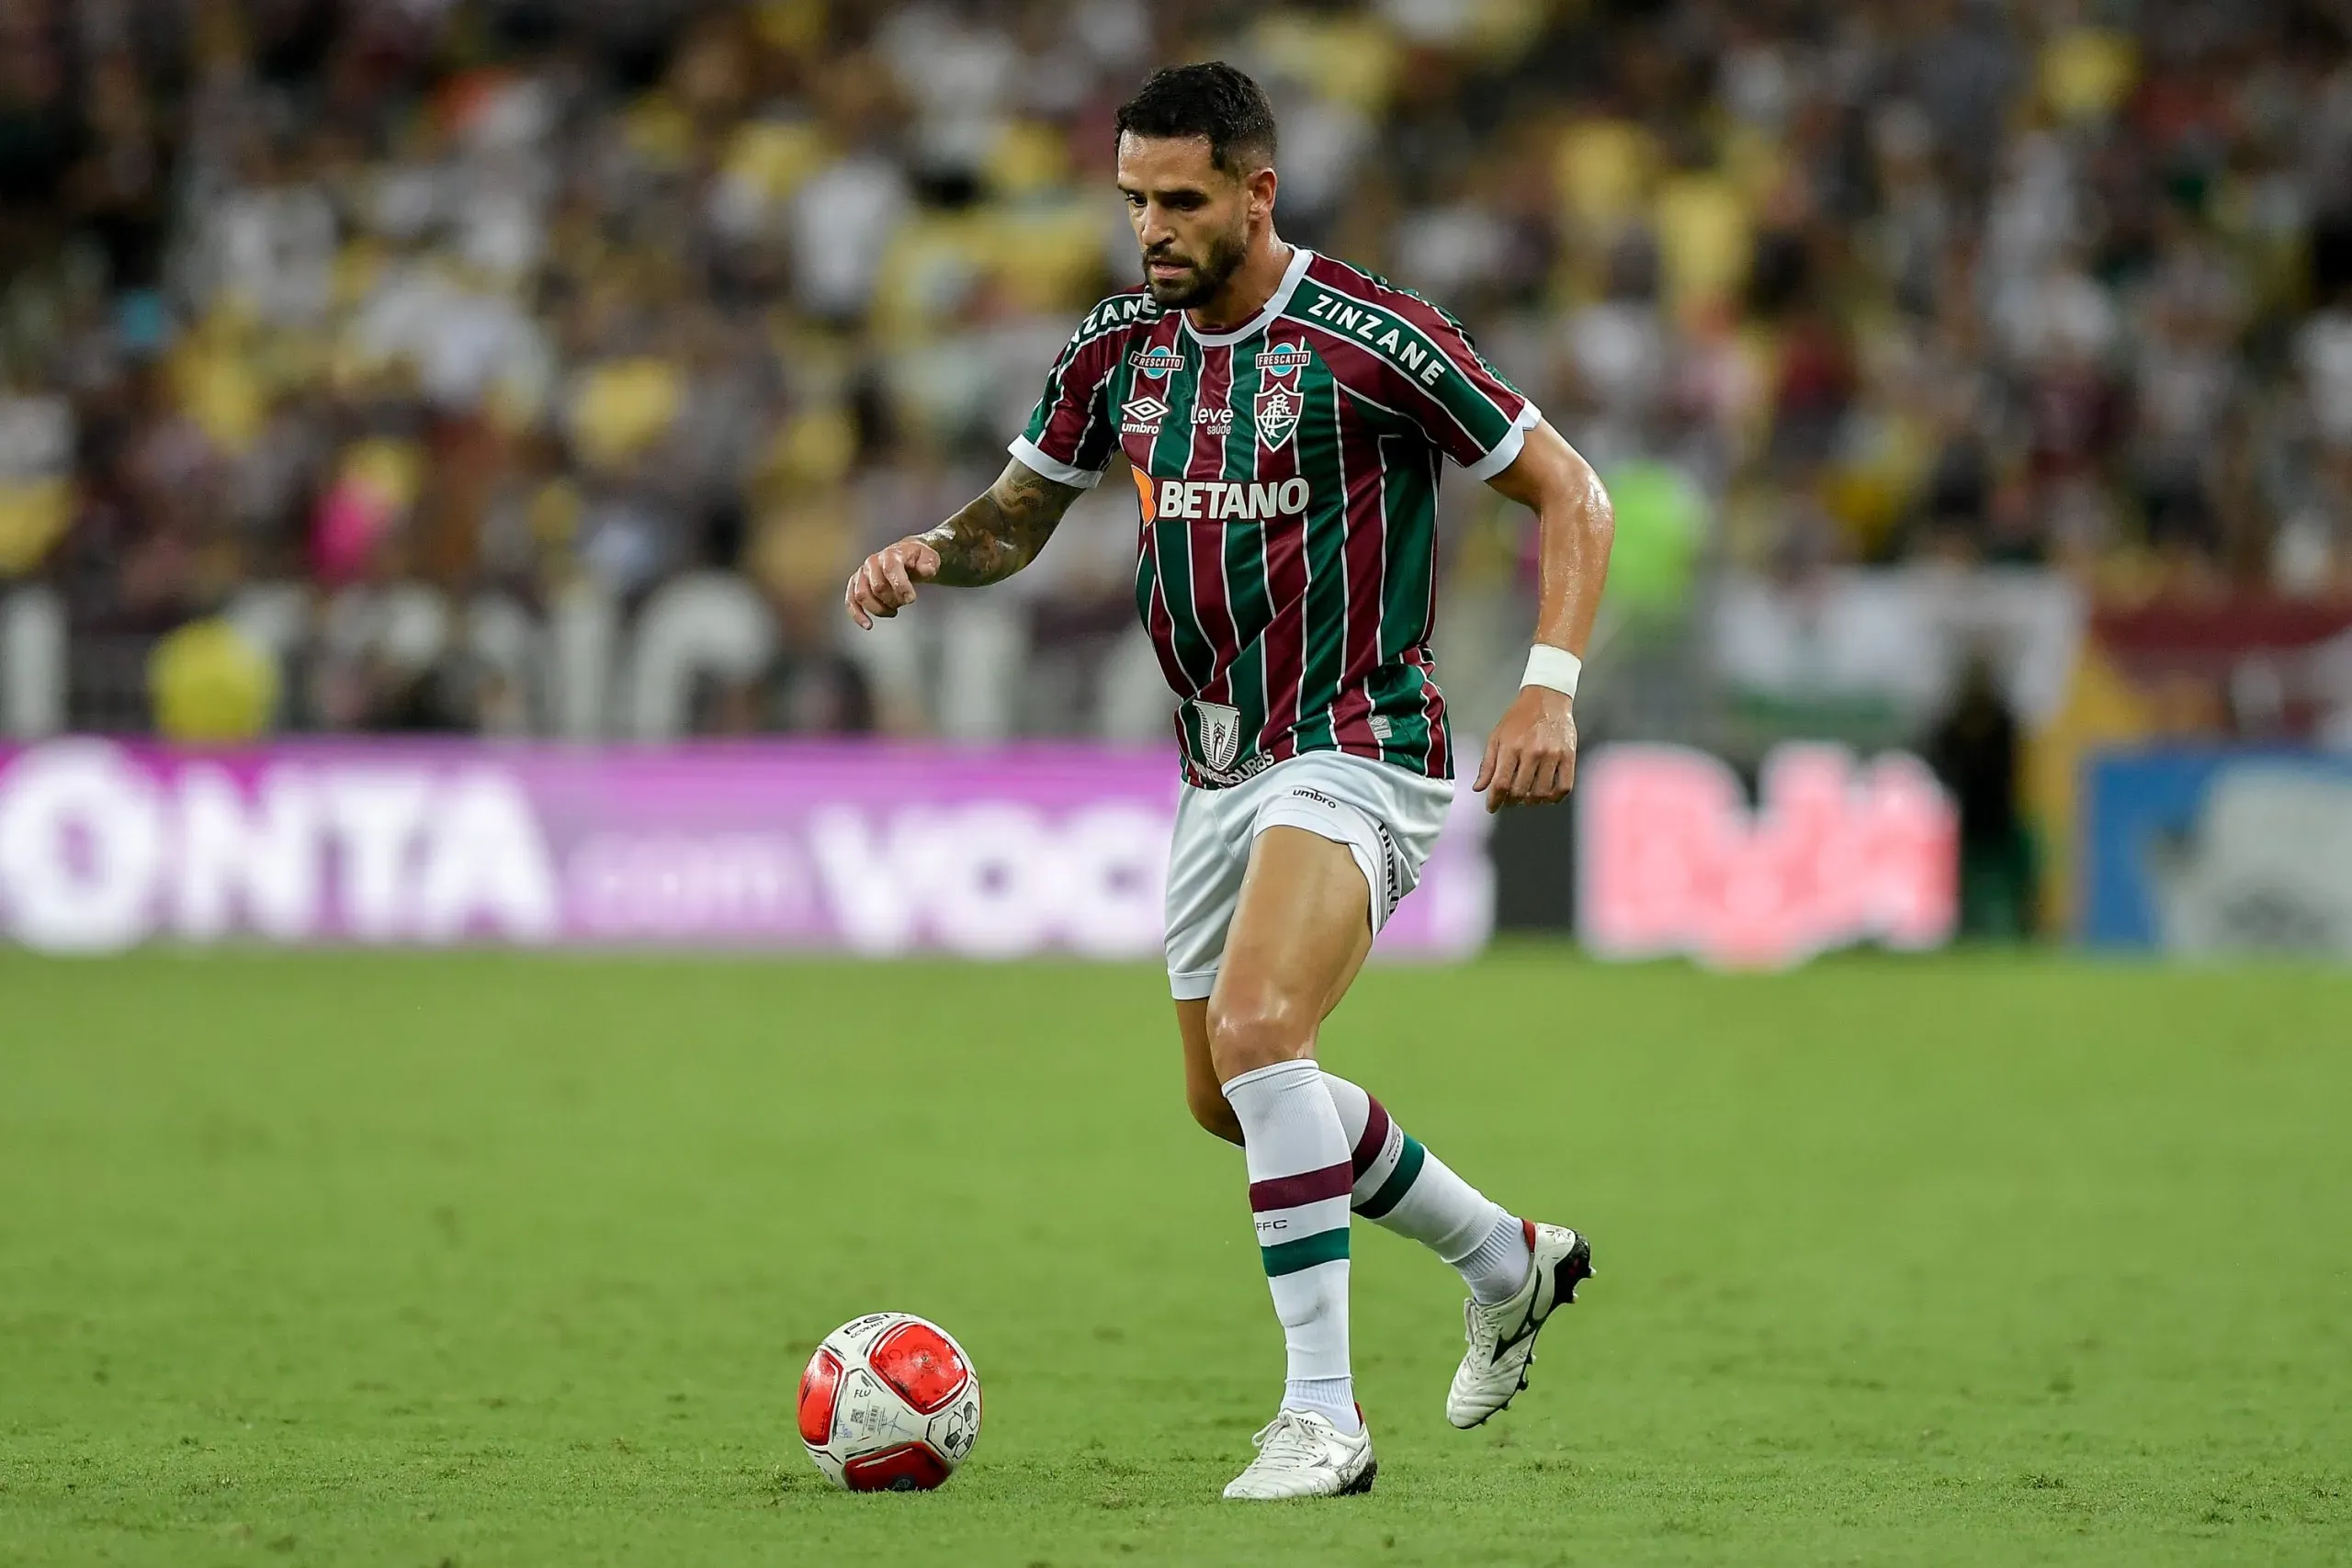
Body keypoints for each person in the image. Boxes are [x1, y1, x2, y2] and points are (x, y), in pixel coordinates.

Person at [843, 62, 1616, 1500]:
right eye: (1134, 196)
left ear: (1259, 191)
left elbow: (1571, 489)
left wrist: (1549, 687)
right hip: (1214, 764)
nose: (1152, 225)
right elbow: (1025, 509)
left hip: (1359, 739)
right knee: (1234, 1096)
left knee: (1265, 1028)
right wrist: (932, 554)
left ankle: (1323, 1417)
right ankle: (1510, 1260)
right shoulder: (1118, 349)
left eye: (1182, 198)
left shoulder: (1370, 336)